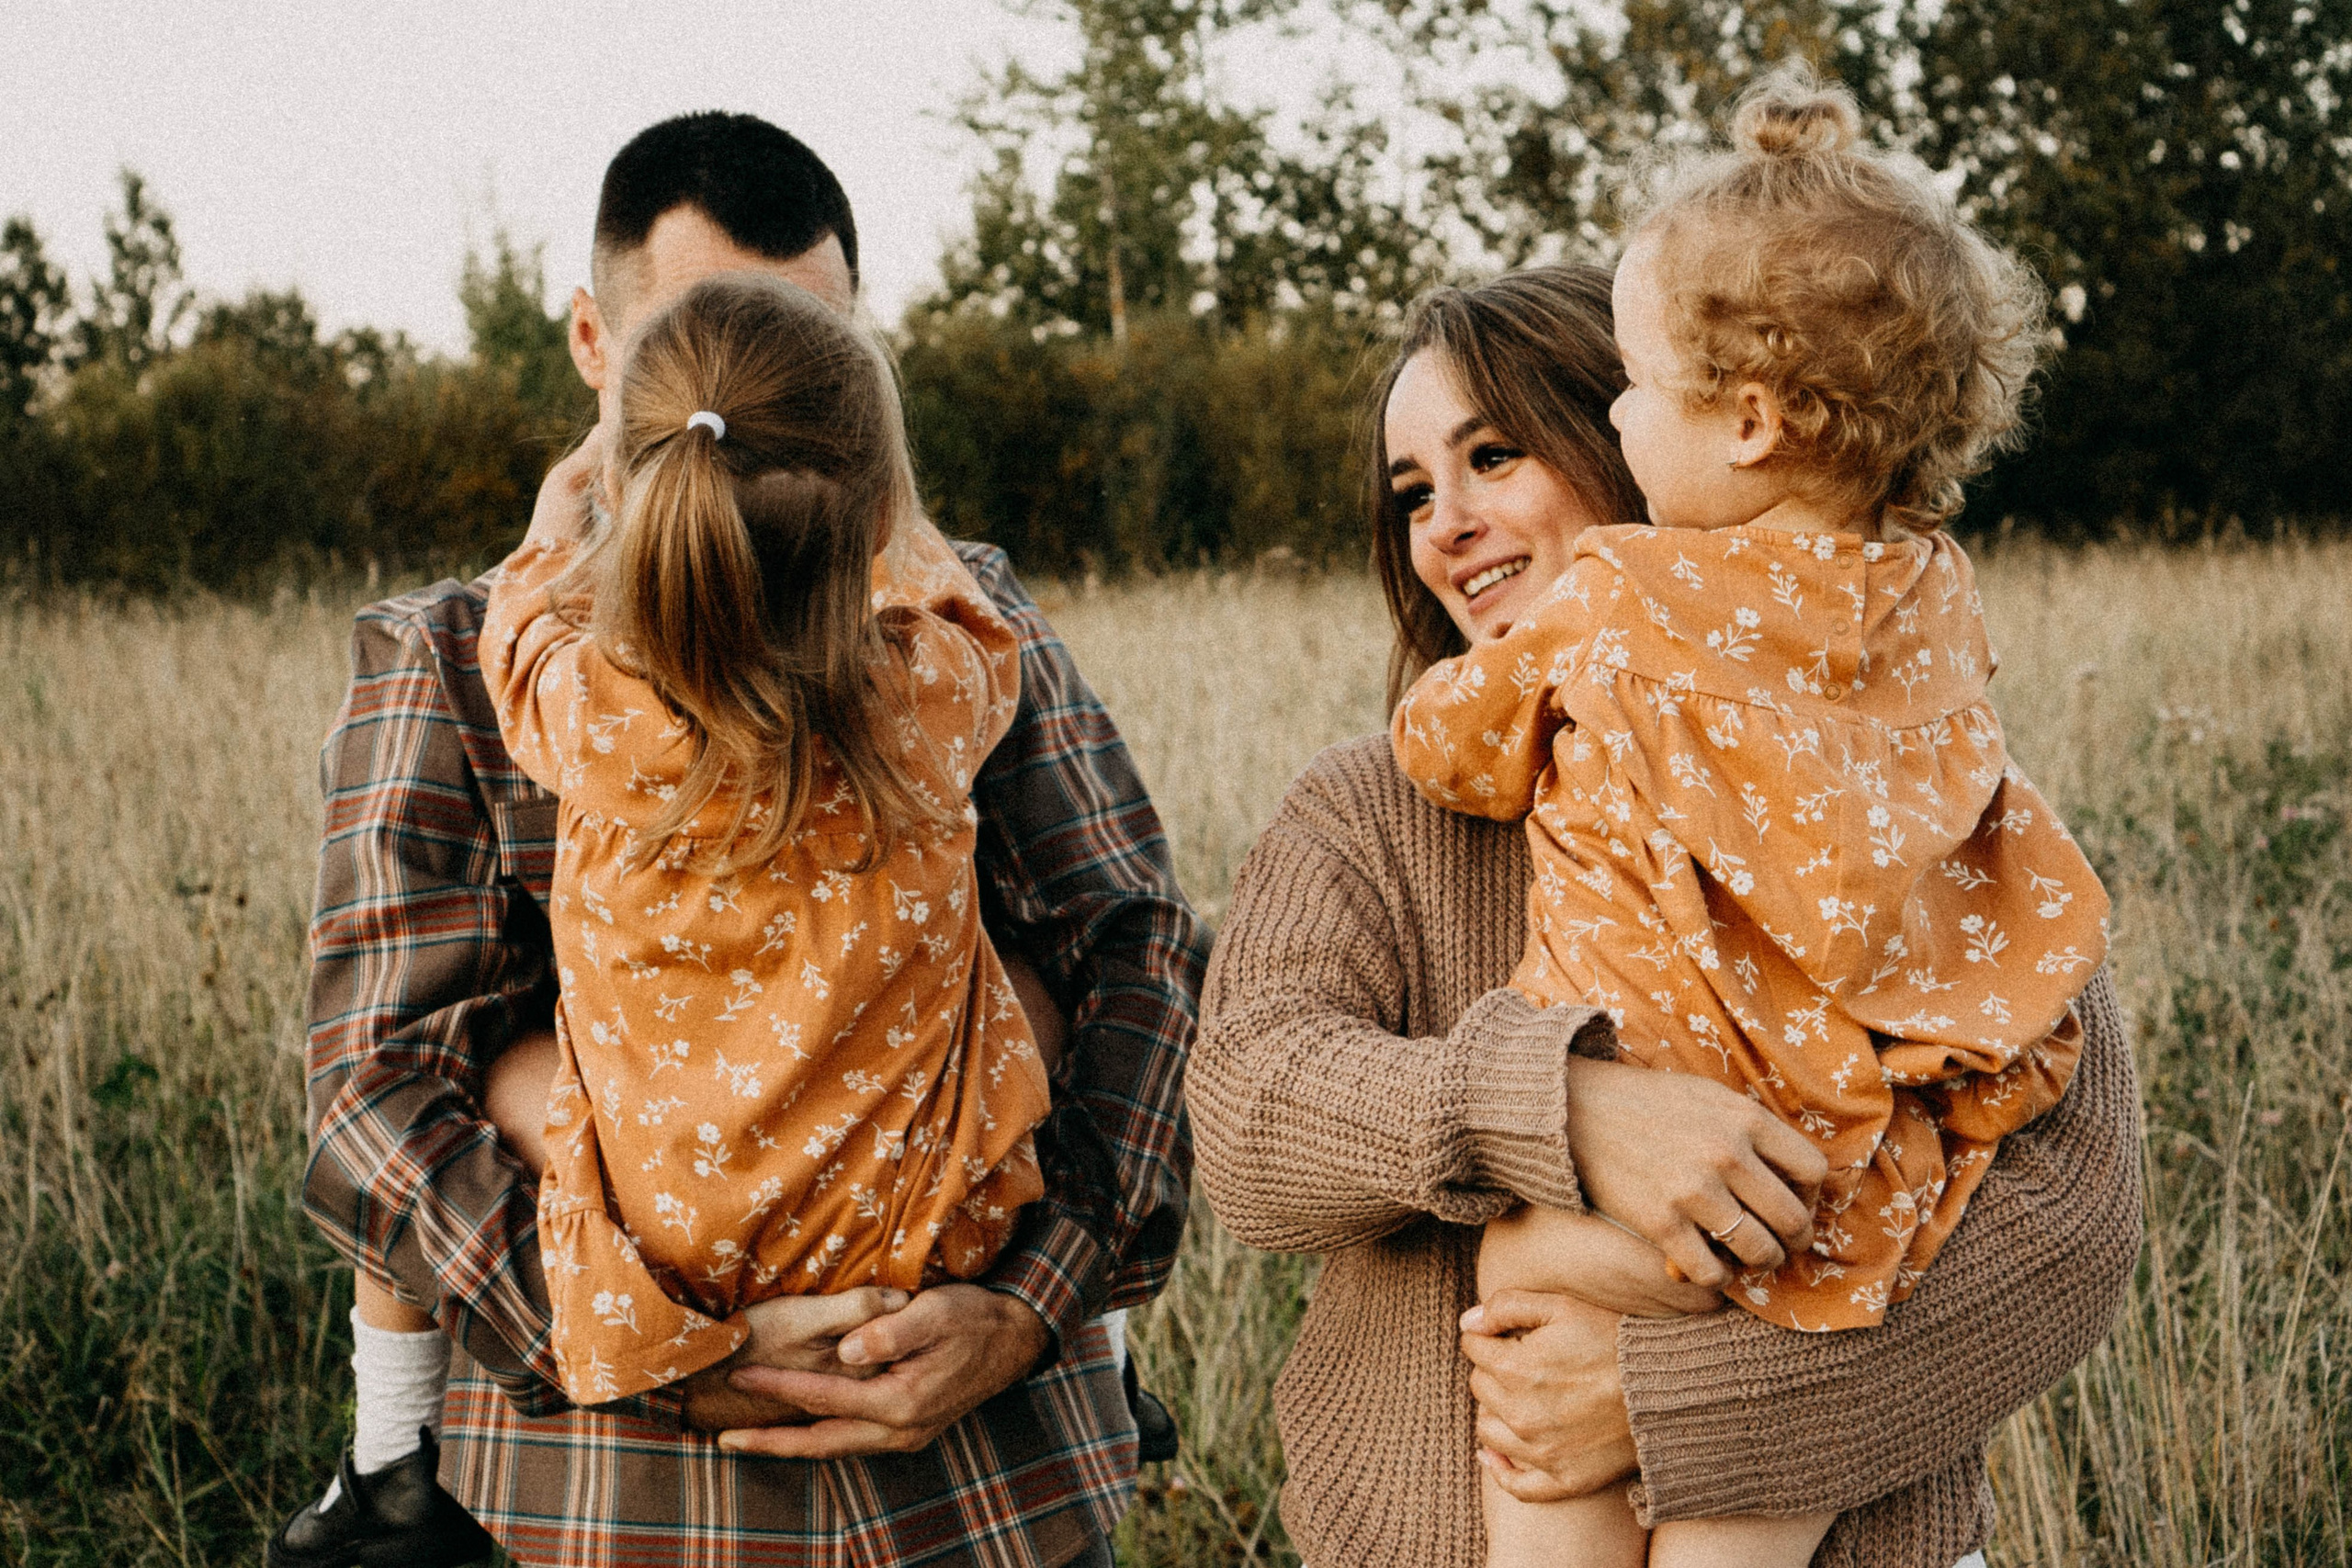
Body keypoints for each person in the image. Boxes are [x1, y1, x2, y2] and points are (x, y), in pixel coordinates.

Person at [278, 112, 1203, 1568]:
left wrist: (1037, 1297)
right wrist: (634, 1338)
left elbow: (1136, 949)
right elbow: (370, 1090)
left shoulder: (950, 624)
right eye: (708, 338)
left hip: (993, 1489)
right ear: (599, 344)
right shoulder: (450, 654)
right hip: (611, 1501)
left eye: (805, 349)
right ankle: (385, 1460)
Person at [1188, 253, 2142, 1568]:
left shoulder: (1902, 767)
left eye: (1496, 455)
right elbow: (1245, 1112)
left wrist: (1667, 1402)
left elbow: (2077, 1215)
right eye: (1414, 491)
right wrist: (1559, 1107)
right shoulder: (1370, 804)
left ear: (1640, 431)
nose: (1444, 522)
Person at [1386, 69, 2108, 1568]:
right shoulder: (1942, 623)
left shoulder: (1627, 597)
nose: (1620, 411)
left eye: (1632, 387)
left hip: (1662, 1153)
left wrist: (1477, 718)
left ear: (1756, 420)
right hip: (1858, 1188)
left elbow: (1450, 743)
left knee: (1523, 1266)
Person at [481, 275, 1054, 1404]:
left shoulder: (589, 713)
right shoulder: (928, 695)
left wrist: (553, 538)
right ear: (875, 515)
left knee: (512, 1072)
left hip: (675, 1250)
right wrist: (903, 521)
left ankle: (391, 1451)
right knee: (1029, 992)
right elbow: (979, 620)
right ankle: (1113, 1358)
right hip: (923, 1236)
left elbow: (514, 639)